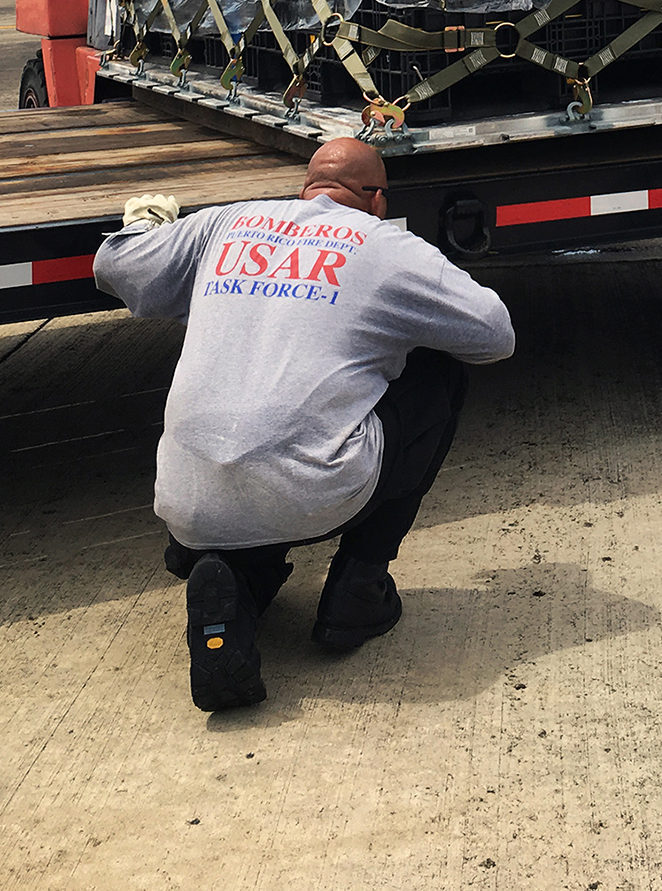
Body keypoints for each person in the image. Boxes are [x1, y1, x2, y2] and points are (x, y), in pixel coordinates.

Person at [94, 137, 514, 712]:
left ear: (306, 187)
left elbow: (113, 265)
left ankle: (233, 575)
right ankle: (357, 591)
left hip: (186, 506)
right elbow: (493, 336)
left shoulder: (226, 222)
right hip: (317, 494)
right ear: (377, 200)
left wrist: (147, 227)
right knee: (441, 371)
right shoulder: (384, 244)